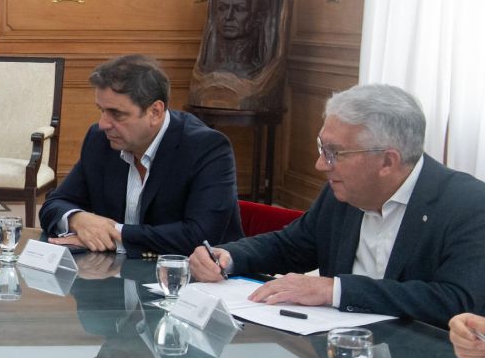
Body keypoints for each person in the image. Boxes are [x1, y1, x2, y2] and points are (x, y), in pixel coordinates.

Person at [190, 84, 485, 328]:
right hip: (339, 353)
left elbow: (456, 301)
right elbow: (290, 246)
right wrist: (229, 256)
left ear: (388, 161)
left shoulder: (467, 205)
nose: (320, 164)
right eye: (322, 148)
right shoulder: (342, 193)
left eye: (334, 153)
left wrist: (335, 290)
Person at [39, 54, 242, 255]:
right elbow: (54, 204)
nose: (103, 124)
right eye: (101, 110)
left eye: (116, 114)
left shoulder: (206, 148)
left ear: (155, 111)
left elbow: (200, 236)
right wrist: (78, 219)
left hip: (196, 279)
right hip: (116, 276)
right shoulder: (99, 140)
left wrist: (114, 235)